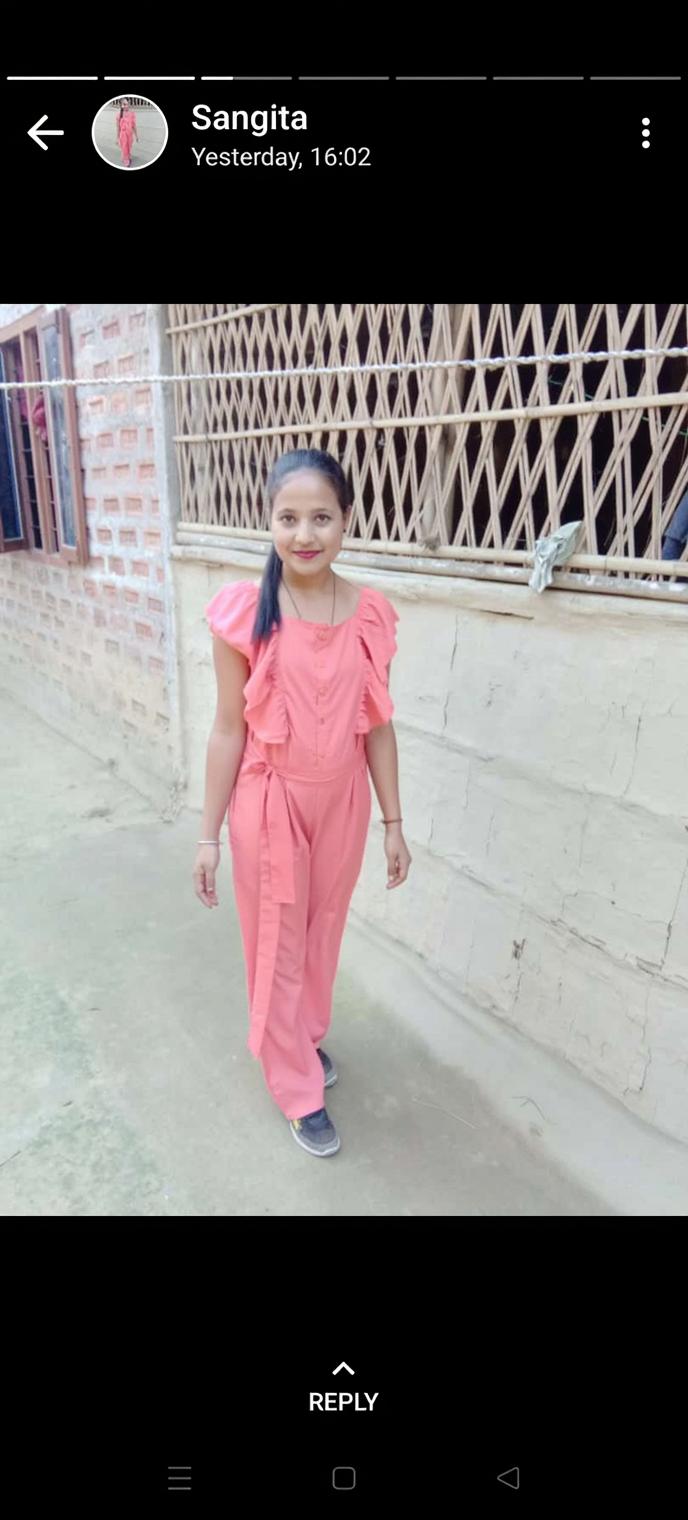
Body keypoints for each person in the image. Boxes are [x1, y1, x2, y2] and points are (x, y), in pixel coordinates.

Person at [194, 449, 412, 1158]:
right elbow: (229, 728)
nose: (305, 534)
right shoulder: (245, 615)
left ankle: (301, 1040)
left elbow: (377, 723)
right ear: (270, 522)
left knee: (322, 934)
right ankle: (294, 1085)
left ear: (347, 521)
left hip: (343, 801)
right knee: (278, 942)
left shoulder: (371, 614)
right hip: (270, 801)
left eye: (322, 517)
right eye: (288, 518)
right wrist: (207, 835)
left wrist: (393, 824)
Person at [115, 99, 138, 168]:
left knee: (129, 146)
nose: (126, 106)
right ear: (121, 105)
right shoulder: (118, 115)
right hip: (123, 134)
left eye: (127, 104)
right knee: (124, 147)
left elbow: (134, 126)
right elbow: (118, 127)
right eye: (124, 104)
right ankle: (126, 159)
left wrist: (136, 135)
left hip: (130, 134)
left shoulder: (132, 114)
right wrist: (117, 138)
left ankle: (127, 155)